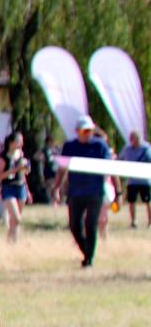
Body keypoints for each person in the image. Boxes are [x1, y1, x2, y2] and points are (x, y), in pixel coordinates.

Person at [53, 115, 112, 268]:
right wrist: (57, 187)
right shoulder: (69, 146)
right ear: (77, 131)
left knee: (90, 225)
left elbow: (109, 166)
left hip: (95, 193)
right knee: (74, 226)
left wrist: (115, 190)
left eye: (89, 131)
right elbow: (62, 169)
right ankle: (87, 251)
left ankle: (89, 259)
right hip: (75, 193)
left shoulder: (100, 146)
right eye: (83, 131)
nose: (86, 134)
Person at [0, 134, 31, 244]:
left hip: (20, 187)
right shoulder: (4, 157)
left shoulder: (21, 155)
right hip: (8, 187)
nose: (21, 144)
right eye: (18, 141)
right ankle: (11, 241)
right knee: (16, 217)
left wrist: (27, 190)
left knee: (15, 220)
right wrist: (15, 169)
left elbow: (24, 174)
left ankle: (12, 243)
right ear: (11, 143)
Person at [122, 131, 151, 228]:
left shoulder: (146, 148)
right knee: (131, 201)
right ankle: (133, 221)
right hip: (132, 180)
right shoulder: (127, 149)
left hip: (144, 180)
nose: (132, 141)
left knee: (147, 201)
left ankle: (150, 221)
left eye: (134, 138)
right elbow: (120, 158)